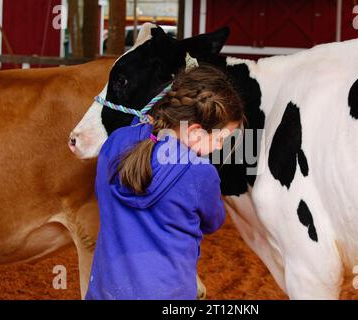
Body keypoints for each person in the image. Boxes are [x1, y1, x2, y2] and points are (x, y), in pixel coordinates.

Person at [85, 65, 244, 300]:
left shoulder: (115, 142)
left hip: (106, 290)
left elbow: (104, 192)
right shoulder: (200, 173)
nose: (221, 147)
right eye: (221, 139)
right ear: (195, 131)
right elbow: (213, 221)